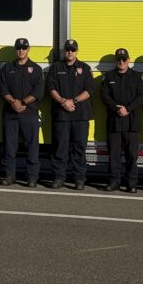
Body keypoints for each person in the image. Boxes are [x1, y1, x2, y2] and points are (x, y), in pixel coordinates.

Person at [47, 38, 95, 190]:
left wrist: (73, 101)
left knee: (79, 148)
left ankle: (79, 178)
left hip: (80, 115)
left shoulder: (85, 68)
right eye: (67, 49)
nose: (70, 52)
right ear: (64, 51)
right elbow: (50, 88)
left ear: (76, 52)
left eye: (72, 50)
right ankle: (59, 178)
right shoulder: (56, 67)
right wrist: (62, 102)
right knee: (60, 147)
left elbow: (89, 90)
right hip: (61, 115)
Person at [0, 37, 45, 187]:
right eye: (18, 48)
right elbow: (2, 88)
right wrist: (13, 102)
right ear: (15, 50)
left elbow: (39, 91)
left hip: (29, 113)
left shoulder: (36, 69)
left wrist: (23, 102)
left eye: (24, 48)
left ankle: (32, 177)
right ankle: (10, 175)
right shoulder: (7, 68)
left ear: (28, 49)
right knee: (10, 147)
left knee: (32, 147)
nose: (21, 51)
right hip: (11, 113)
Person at [100, 48, 143, 193]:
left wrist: (128, 108)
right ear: (115, 61)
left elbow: (141, 97)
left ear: (128, 60)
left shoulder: (137, 77)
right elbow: (104, 96)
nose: (121, 62)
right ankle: (114, 182)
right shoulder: (109, 77)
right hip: (114, 121)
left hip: (131, 122)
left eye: (124, 59)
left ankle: (132, 183)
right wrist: (116, 108)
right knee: (114, 155)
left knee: (132, 155)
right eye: (118, 59)